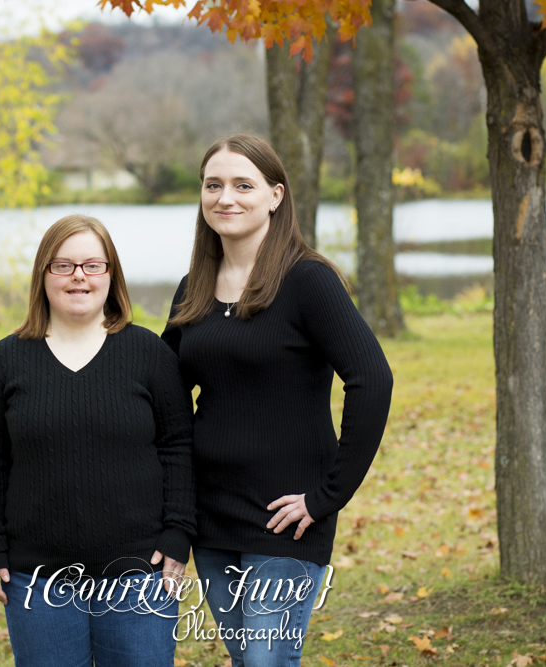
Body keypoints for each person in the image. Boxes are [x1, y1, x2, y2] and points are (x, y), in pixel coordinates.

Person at [161, 134, 394, 666]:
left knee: (268, 661)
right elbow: (162, 390)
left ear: (276, 195)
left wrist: (327, 495)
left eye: (244, 185)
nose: (226, 197)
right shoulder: (192, 289)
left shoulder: (308, 281)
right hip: (211, 511)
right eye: (213, 185)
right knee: (248, 661)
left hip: (286, 517)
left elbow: (372, 379)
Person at [0, 215, 196, 667]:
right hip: (38, 579)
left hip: (139, 574)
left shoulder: (149, 354)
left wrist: (177, 533)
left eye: (93, 265)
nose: (79, 276)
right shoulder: (6, 360)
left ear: (111, 275)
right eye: (63, 265)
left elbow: (178, 448)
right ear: (43, 275)